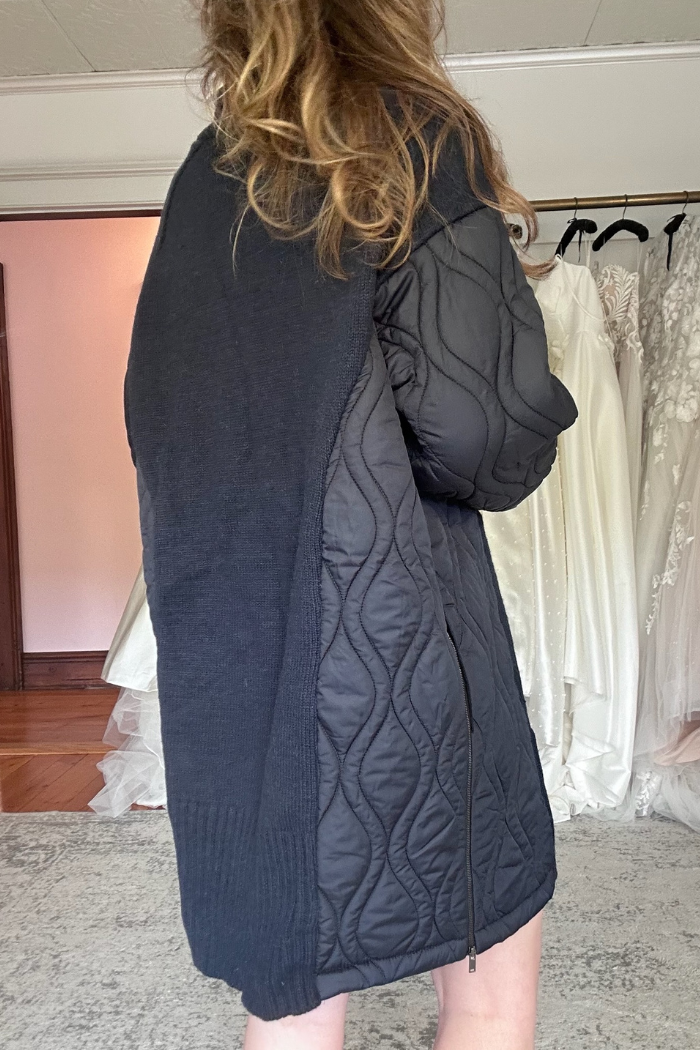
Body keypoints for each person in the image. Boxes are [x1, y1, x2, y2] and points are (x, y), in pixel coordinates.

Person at [123, 1, 578, 1047]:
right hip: (392, 642)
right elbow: (485, 434)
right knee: (489, 980)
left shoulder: (207, 177)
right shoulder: (411, 137)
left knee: (292, 995)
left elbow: (160, 416)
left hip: (232, 658)